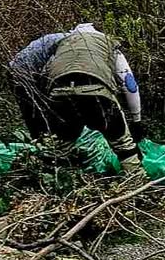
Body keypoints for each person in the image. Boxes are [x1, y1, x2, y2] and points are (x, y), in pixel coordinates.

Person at [41, 23, 145, 171]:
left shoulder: (62, 45)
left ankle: (48, 186)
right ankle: (137, 184)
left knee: (57, 150)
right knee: (123, 145)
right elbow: (129, 84)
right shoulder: (108, 43)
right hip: (97, 94)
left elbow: (45, 76)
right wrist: (136, 120)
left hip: (60, 95)